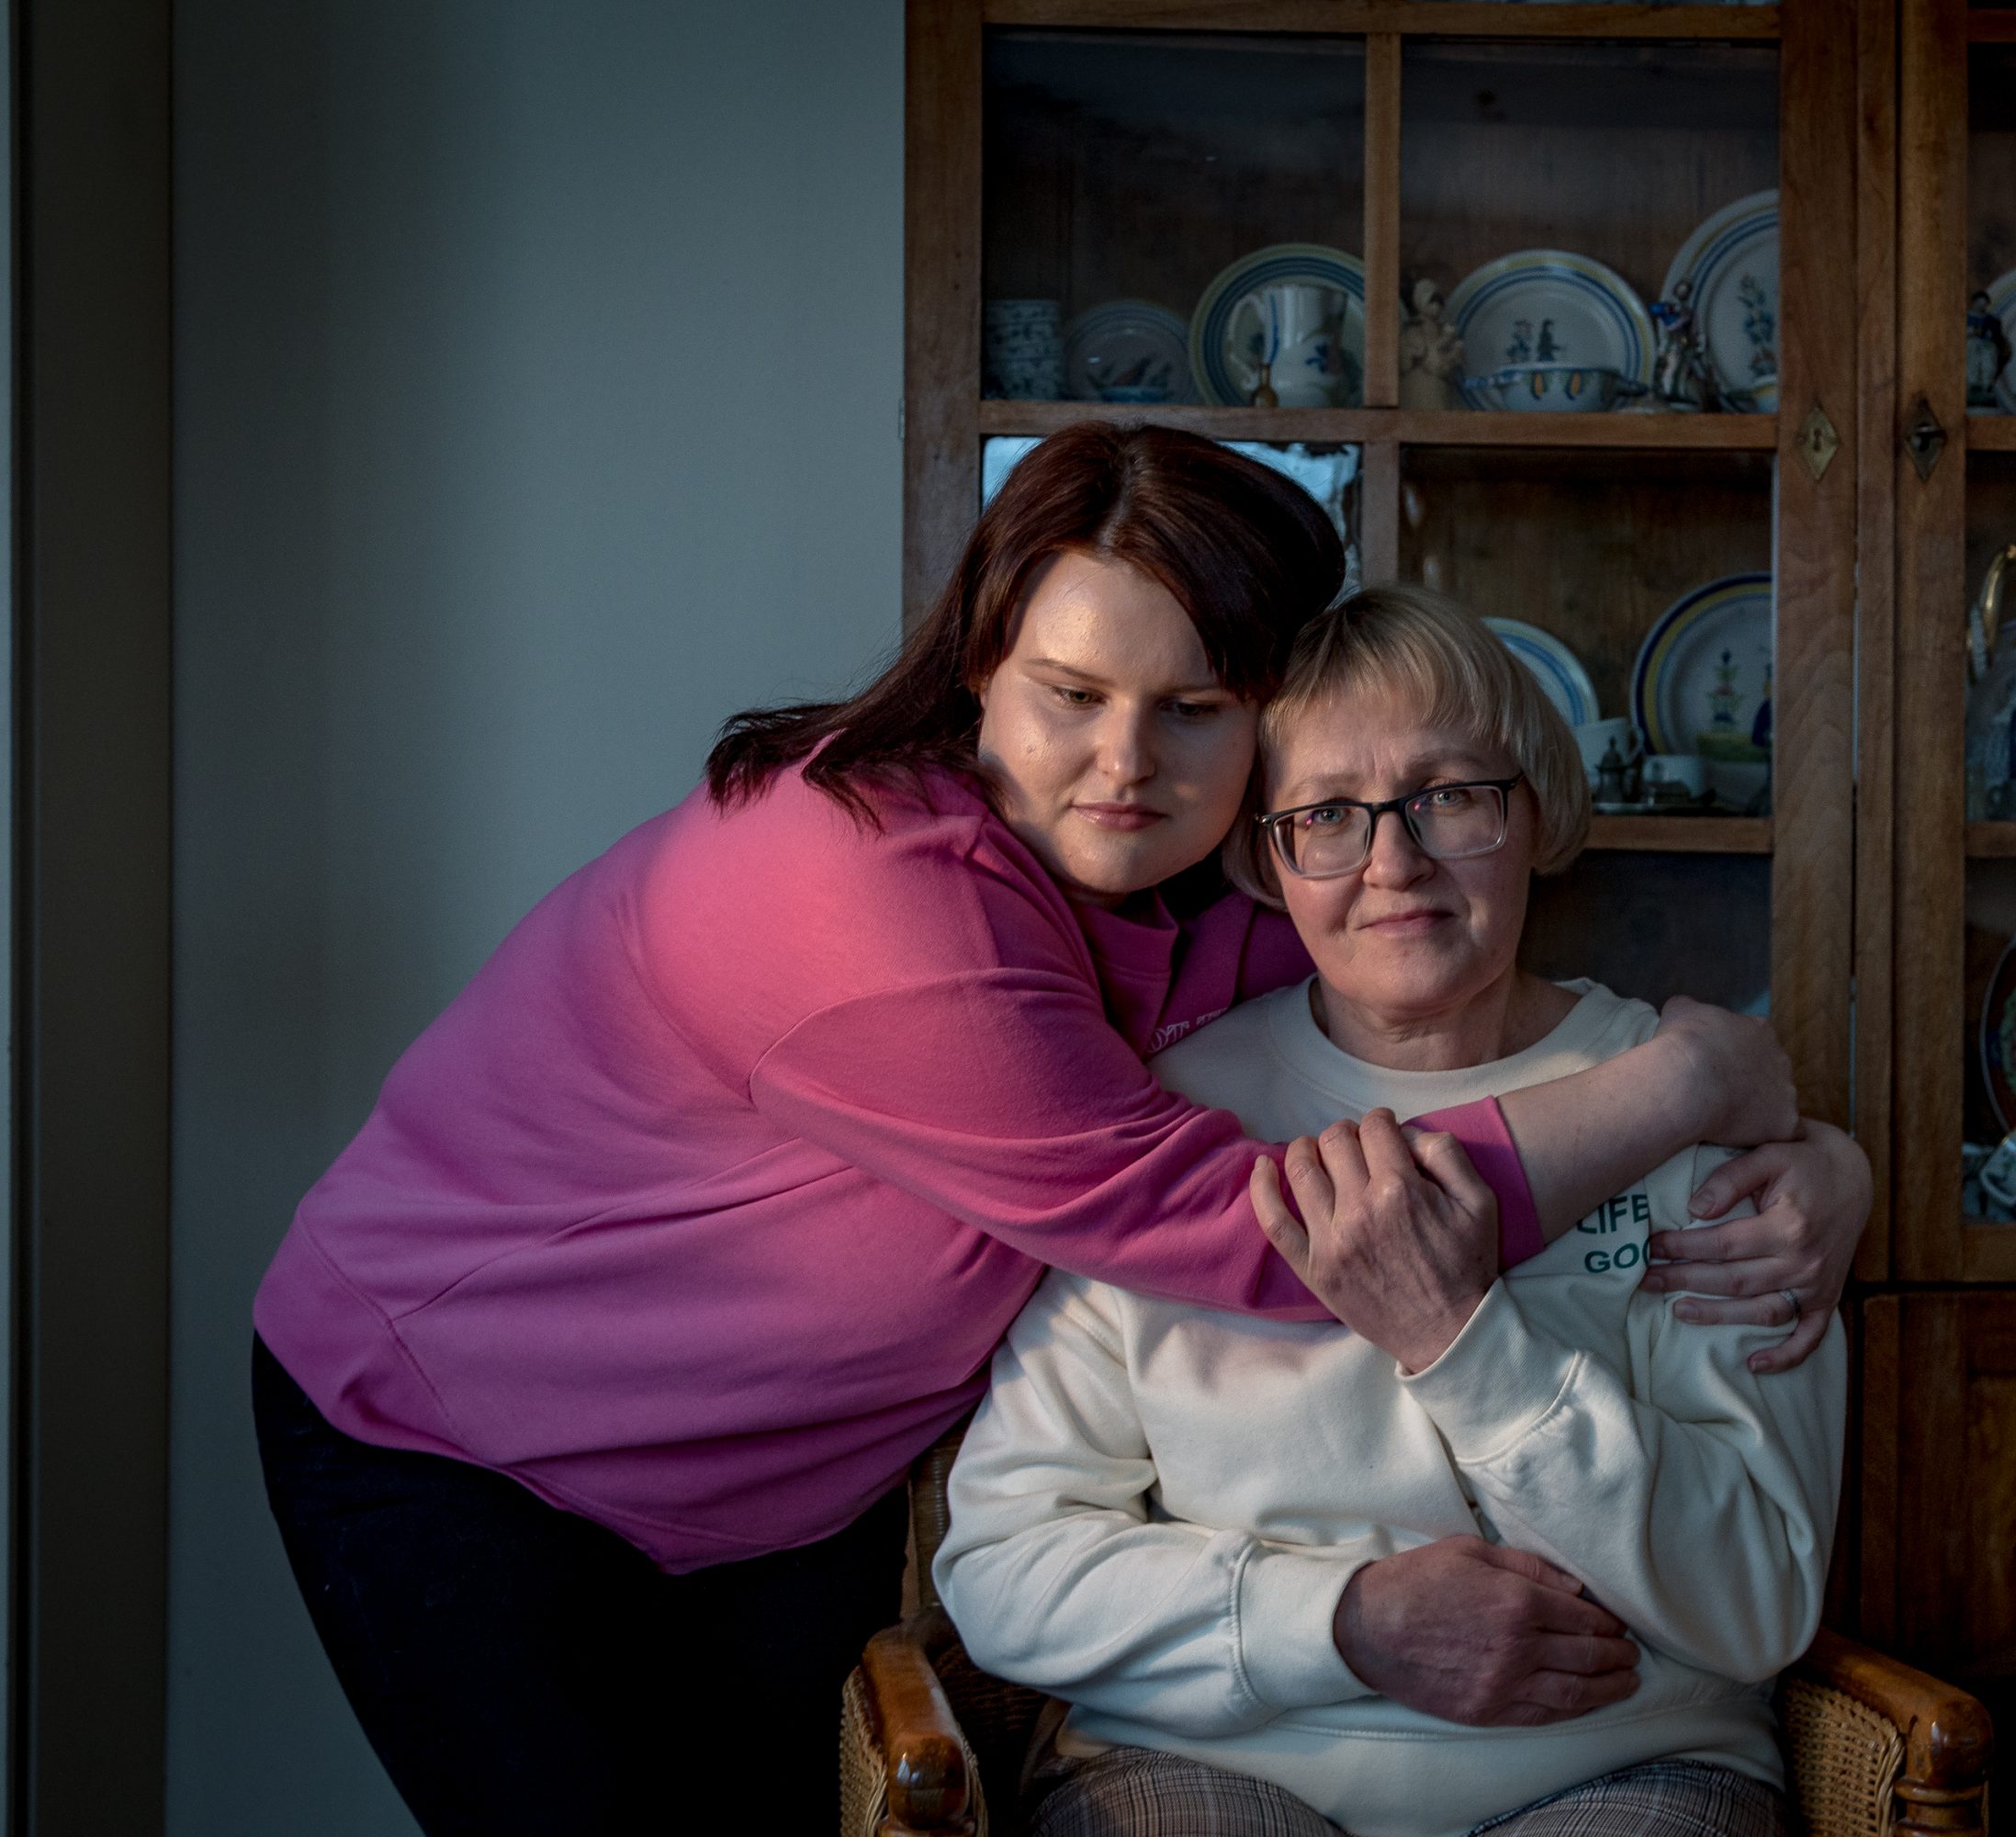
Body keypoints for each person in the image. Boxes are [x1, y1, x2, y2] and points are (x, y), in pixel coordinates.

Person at [250, 424, 1867, 1834]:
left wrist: (1822, 1161)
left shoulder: (1214, 904)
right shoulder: (859, 891)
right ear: (977, 665)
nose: (1125, 763)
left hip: (783, 1488)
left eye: (1196, 706)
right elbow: (1288, 1235)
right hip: (465, 1431)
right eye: (1070, 694)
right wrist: (1692, 1087)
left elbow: (1394, 1010)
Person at [937, 584, 1855, 1837]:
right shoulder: (1174, 1119)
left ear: (1536, 810)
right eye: (1326, 815)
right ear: (1266, 857)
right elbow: (1006, 1565)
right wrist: (1341, 1624)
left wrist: (1464, 1347)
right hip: (1210, 1767)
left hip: (1620, 1763)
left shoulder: (1688, 1116)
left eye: (1451, 797)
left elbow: (1758, 1599)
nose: (1394, 863)